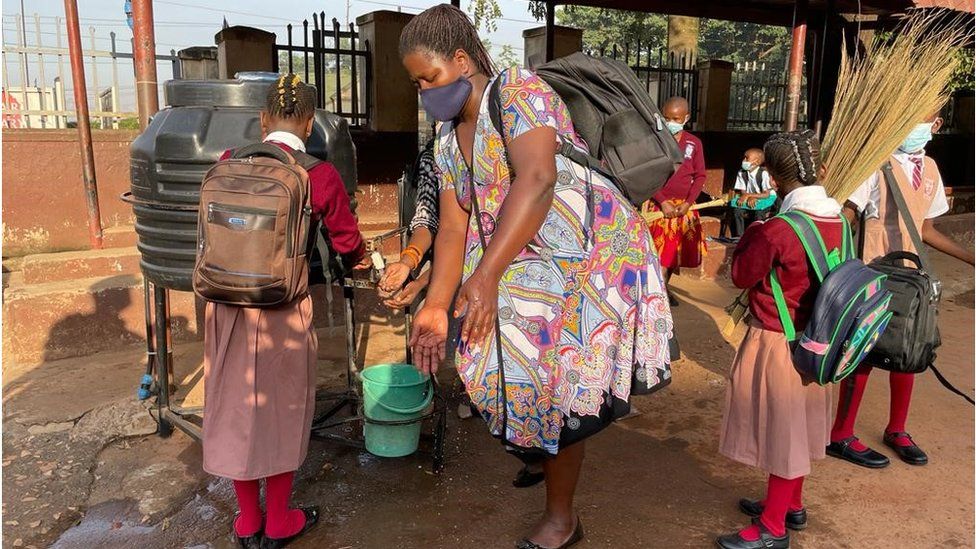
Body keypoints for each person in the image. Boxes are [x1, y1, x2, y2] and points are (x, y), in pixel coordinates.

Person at [399, 5, 674, 548]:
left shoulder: (520, 91)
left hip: (584, 263)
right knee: (496, 363)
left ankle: (561, 517)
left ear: (461, 60)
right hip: (523, 266)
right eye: (416, 84)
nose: (425, 92)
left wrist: (485, 277)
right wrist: (436, 302)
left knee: (555, 388)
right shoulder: (449, 138)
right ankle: (538, 447)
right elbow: (452, 228)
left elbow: (539, 177)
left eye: (428, 78)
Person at [201, 74, 368, 549]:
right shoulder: (319, 173)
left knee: (235, 405)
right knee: (282, 409)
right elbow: (346, 240)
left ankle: (246, 521)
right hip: (282, 308)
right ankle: (278, 523)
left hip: (225, 307)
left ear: (262, 120)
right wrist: (361, 261)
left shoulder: (228, 162)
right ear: (310, 123)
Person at [827, 111, 975, 469]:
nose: (919, 126)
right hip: (873, 275)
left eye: (927, 119)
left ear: (936, 124)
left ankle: (897, 429)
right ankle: (841, 434)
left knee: (909, 349)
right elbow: (848, 215)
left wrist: (971, 258)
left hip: (912, 278)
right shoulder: (876, 163)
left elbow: (926, 229)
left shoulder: (932, 170)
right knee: (862, 351)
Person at [717, 130, 842, 549]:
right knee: (799, 428)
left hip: (778, 342)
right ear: (821, 170)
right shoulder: (839, 219)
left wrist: (752, 233)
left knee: (782, 434)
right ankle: (791, 503)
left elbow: (740, 276)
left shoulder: (775, 231)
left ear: (770, 178)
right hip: (819, 342)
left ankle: (772, 528)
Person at [643, 96, 707, 305]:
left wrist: (688, 203)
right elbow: (648, 174)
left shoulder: (693, 144)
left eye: (676, 118)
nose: (671, 121)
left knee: (672, 257)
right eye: (666, 117)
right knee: (657, 255)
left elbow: (700, 176)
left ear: (686, 118)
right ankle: (656, 297)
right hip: (658, 207)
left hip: (682, 209)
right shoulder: (654, 140)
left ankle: (662, 290)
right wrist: (662, 201)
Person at [378, 141, 439, 309]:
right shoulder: (433, 158)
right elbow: (426, 219)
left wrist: (421, 281)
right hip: (439, 259)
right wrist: (407, 263)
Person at [730, 148, 776, 237]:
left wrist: (749, 195)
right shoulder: (741, 173)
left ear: (756, 162)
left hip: (767, 199)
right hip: (750, 197)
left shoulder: (763, 173)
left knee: (758, 212)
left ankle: (756, 236)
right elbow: (743, 190)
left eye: (747, 158)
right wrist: (748, 196)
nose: (744, 160)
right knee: (737, 210)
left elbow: (766, 194)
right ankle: (739, 236)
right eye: (744, 158)